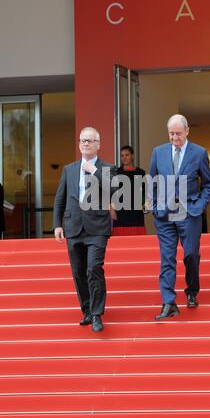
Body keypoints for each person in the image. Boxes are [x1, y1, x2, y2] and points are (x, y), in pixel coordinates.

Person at [149, 114, 210, 320]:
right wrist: (155, 207)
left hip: (189, 212)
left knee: (191, 254)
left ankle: (192, 290)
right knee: (167, 258)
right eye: (171, 133)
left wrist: (201, 204)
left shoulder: (199, 153)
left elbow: (208, 183)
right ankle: (168, 302)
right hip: (165, 215)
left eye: (178, 133)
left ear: (187, 131)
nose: (174, 137)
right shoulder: (158, 152)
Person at [53, 127, 117, 332]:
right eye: (83, 140)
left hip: (97, 227)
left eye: (90, 141)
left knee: (93, 268)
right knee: (78, 272)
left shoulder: (108, 168)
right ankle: (87, 311)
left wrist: (94, 171)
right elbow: (60, 198)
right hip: (73, 227)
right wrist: (57, 224)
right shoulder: (69, 169)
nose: (86, 144)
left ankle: (97, 314)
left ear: (98, 144)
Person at [112, 145, 146, 235]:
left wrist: (145, 205)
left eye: (127, 155)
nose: (124, 158)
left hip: (136, 212)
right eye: (122, 155)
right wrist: (111, 210)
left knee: (138, 243)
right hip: (120, 213)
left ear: (132, 156)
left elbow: (145, 192)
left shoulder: (141, 172)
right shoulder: (116, 172)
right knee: (120, 243)